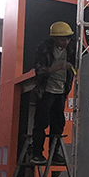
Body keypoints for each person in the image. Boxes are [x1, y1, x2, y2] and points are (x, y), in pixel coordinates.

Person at [31, 22, 77, 164]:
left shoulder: (72, 48)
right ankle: (37, 153)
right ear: (55, 38)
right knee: (41, 122)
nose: (66, 42)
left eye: (68, 39)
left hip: (61, 91)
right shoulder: (44, 48)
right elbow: (39, 70)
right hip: (46, 91)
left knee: (58, 123)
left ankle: (54, 153)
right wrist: (58, 67)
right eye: (63, 39)